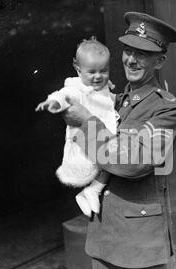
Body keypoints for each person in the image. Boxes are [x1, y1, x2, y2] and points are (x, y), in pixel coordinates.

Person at [62, 12, 176, 269]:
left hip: (140, 243)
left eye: (142, 54)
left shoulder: (166, 110)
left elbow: (134, 163)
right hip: (104, 233)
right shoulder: (113, 101)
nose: (131, 60)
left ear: (160, 61)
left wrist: (85, 123)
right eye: (128, 50)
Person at [35, 37, 118, 217]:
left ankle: (93, 191)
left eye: (104, 71)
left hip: (103, 136)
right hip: (84, 141)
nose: (98, 76)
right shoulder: (77, 88)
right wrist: (53, 102)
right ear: (78, 70)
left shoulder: (103, 86)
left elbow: (107, 100)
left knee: (112, 162)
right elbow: (63, 95)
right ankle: (91, 190)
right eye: (92, 72)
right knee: (103, 162)